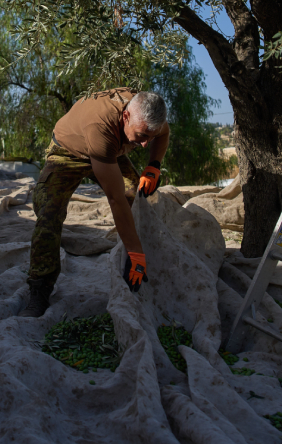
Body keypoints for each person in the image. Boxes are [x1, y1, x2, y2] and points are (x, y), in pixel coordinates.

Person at [19, 88, 170, 317]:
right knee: (48, 214)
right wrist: (134, 251)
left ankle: (142, 266)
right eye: (141, 136)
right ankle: (39, 289)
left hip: (109, 153)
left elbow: (163, 133)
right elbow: (115, 199)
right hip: (69, 153)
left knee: (137, 197)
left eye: (150, 137)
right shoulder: (101, 127)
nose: (144, 145)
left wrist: (153, 166)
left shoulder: (145, 113)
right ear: (126, 117)